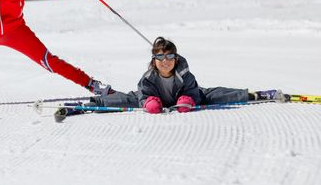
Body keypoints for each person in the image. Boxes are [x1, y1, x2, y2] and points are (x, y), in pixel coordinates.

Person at [95, 36, 283, 113]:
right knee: (129, 99)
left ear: (176, 58)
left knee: (214, 95)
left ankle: (256, 95)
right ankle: (93, 103)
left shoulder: (184, 74)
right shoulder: (148, 78)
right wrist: (147, 102)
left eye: (170, 56)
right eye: (160, 57)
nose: (165, 61)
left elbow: (193, 91)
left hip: (182, 98)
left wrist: (189, 99)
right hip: (156, 99)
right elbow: (143, 95)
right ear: (154, 60)